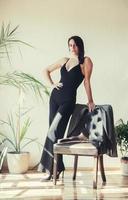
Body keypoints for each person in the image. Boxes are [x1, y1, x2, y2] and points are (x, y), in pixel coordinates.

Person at [37, 35, 95, 181]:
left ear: (80, 46)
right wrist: (52, 84)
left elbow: (86, 82)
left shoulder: (85, 61)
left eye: (75, 45)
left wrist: (90, 101)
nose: (72, 48)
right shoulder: (64, 60)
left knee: (53, 132)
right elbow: (46, 70)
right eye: (70, 45)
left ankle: (51, 170)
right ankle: (57, 168)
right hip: (54, 98)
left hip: (68, 101)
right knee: (54, 133)